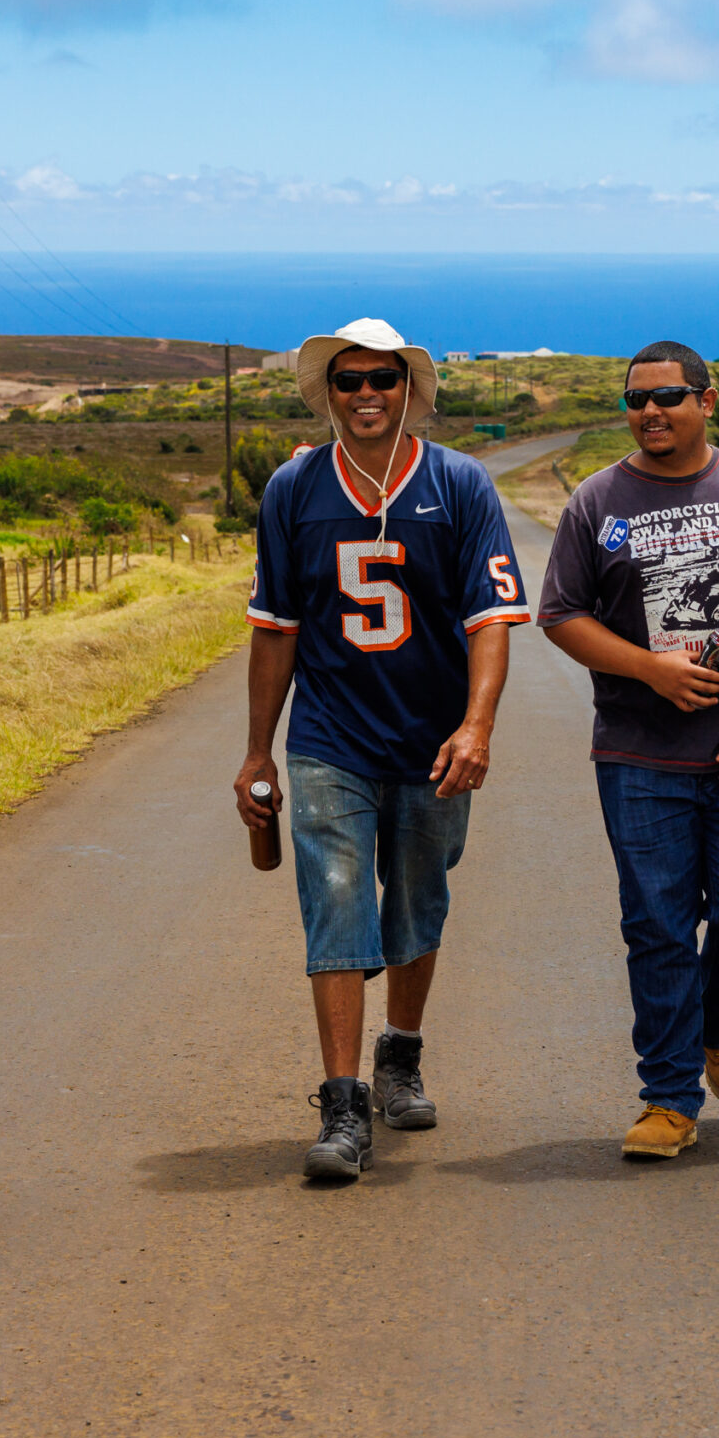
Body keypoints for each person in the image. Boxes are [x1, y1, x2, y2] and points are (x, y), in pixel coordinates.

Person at [234, 317, 528, 1182]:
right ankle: (341, 1104)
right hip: (330, 739)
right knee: (334, 900)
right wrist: (258, 752)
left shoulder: (462, 486)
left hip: (433, 742)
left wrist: (476, 726)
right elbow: (275, 629)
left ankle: (400, 1053)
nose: (366, 395)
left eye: (382, 381)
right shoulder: (294, 490)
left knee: (415, 901)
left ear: (410, 391)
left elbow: (492, 622)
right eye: (349, 381)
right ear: (328, 393)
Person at [538, 342, 719, 1160]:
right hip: (638, 756)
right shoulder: (596, 502)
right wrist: (648, 671)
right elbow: (561, 615)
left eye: (668, 397)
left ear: (707, 400)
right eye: (636, 401)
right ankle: (668, 1100)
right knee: (658, 927)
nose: (650, 412)